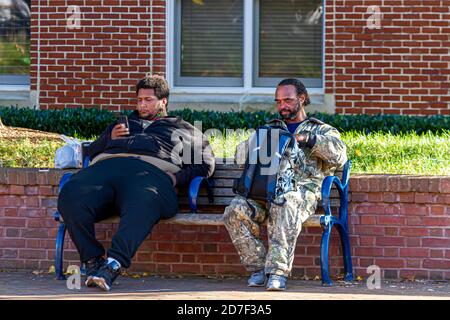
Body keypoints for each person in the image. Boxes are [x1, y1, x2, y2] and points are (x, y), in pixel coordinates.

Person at [57, 74, 215, 291]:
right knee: (71, 194)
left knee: (144, 200)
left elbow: (205, 164)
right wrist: (108, 138)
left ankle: (113, 264)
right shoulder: (122, 123)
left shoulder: (182, 128)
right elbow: (91, 151)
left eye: (148, 100)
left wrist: (177, 178)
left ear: (163, 101)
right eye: (139, 100)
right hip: (104, 170)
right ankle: (93, 260)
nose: (142, 105)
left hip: (149, 175)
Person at [223, 78, 347, 291]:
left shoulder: (322, 130)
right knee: (235, 210)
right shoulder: (270, 128)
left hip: (301, 194)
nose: (282, 106)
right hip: (264, 194)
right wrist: (258, 143)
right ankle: (258, 268)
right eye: (278, 101)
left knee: (285, 202)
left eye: (287, 100)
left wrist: (308, 139)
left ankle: (278, 272)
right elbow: (239, 156)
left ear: (302, 99)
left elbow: (340, 156)